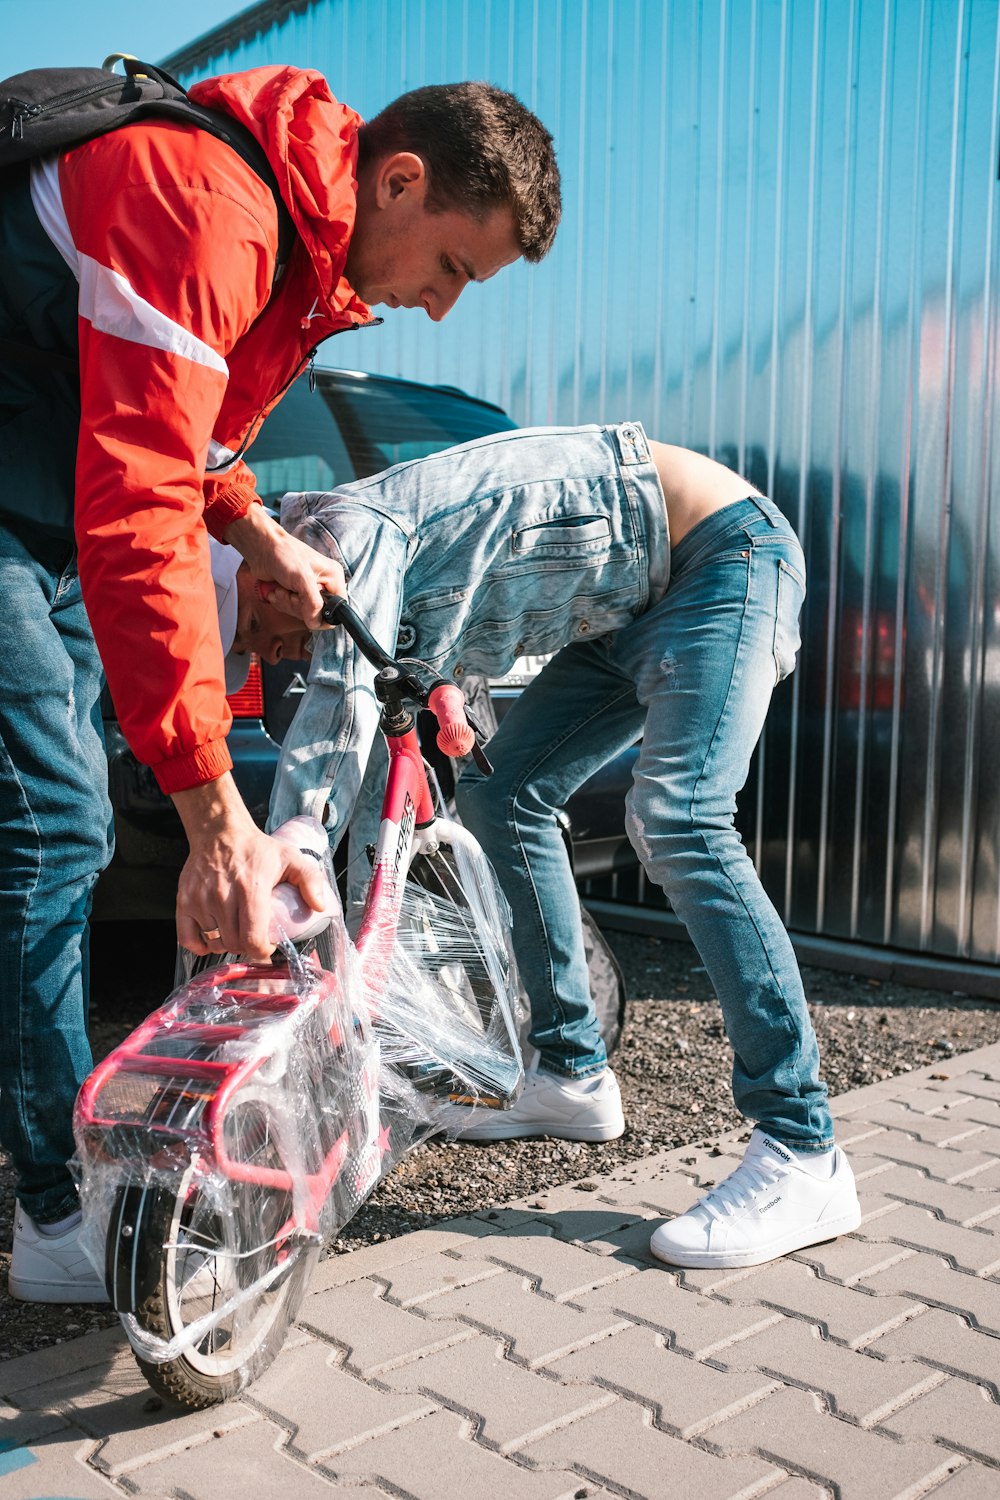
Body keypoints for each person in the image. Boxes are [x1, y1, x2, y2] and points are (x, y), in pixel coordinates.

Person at [0, 66, 561, 1302]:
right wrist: (213, 821)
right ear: (399, 180)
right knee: (53, 827)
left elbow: (184, 442)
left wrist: (257, 532)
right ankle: (50, 1216)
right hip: (37, 505)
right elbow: (138, 498)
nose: (442, 308)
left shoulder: (302, 253)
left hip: (38, 497)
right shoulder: (212, 202)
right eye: (456, 268)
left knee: (55, 832)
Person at [254, 421, 861, 1272]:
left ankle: (804, 1148)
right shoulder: (349, 569)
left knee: (679, 819)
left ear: (262, 573)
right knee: (505, 793)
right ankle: (572, 1075)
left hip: (724, 558)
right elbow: (414, 657)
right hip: (625, 602)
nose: (265, 652)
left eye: (257, 631)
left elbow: (340, 697)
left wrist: (295, 837)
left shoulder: (342, 535)